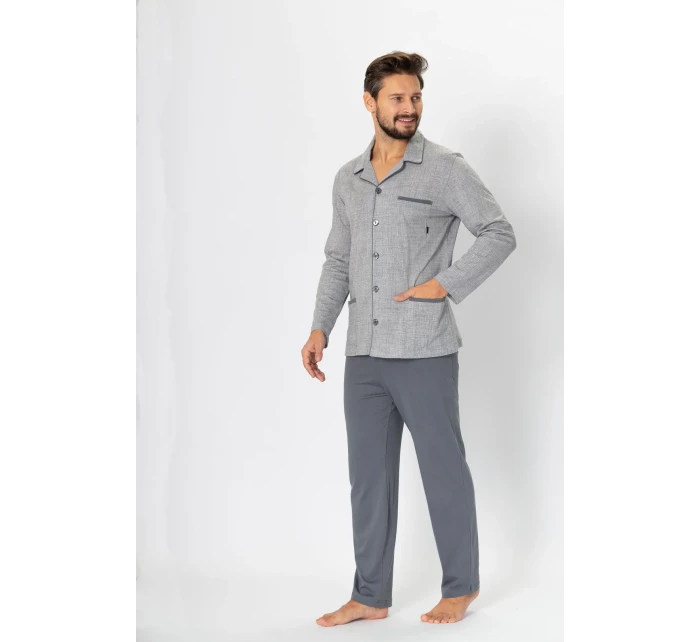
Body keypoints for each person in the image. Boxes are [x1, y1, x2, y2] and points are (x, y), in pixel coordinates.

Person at [301, 51, 517, 626]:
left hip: (424, 350)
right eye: (397, 98)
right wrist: (321, 326)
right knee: (368, 480)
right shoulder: (347, 179)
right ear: (369, 102)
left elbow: (498, 232)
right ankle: (370, 595)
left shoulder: (444, 168)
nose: (409, 108)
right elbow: (338, 259)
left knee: (443, 470)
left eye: (416, 97)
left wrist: (445, 284)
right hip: (364, 354)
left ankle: (460, 586)